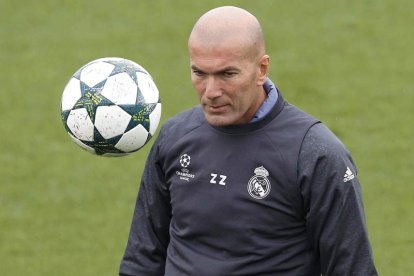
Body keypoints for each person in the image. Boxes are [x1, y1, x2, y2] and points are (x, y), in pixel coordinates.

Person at [119, 6, 377, 276]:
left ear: (261, 69)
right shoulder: (175, 137)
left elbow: (352, 269)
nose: (211, 92)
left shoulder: (315, 154)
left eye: (227, 74)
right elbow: (143, 259)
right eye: (199, 73)